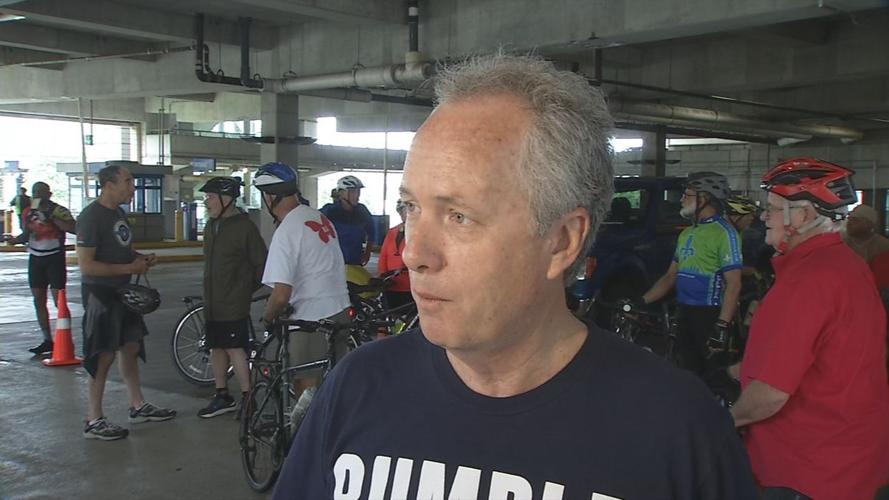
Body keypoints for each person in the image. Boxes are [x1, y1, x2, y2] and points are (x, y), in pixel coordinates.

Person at [272, 54, 756, 499]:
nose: (415, 252)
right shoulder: (358, 387)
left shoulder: (676, 432)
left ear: (562, 241)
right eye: (411, 207)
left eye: (459, 215)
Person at [730, 157, 889, 499]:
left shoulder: (807, 281)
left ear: (801, 217)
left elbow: (771, 396)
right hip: (851, 461)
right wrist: (735, 371)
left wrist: (724, 421)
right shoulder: (846, 265)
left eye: (772, 208)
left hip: (804, 470)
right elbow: (830, 356)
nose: (763, 217)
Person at [76, 165, 176, 441]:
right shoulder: (91, 217)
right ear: (109, 185)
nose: (133, 187)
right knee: (103, 353)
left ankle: (137, 404)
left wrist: (139, 258)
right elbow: (87, 266)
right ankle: (93, 418)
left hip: (124, 293)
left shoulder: (118, 214)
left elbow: (121, 250)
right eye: (128, 181)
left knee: (131, 346)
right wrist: (129, 267)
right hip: (101, 294)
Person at [253, 162, 352, 393]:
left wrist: (268, 318)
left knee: (306, 387)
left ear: (269, 197)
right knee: (336, 386)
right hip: (340, 311)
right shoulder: (319, 217)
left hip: (311, 318)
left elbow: (281, 295)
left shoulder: (287, 230)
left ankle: (307, 429)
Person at [639, 172, 743, 377]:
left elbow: (734, 284)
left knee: (714, 378)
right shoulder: (687, 233)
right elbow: (670, 277)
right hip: (685, 312)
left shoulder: (725, 233)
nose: (682, 199)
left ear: (704, 198)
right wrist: (641, 301)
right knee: (687, 373)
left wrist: (722, 325)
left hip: (710, 315)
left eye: (687, 195)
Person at [196, 177, 267, 418]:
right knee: (216, 346)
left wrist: (244, 290)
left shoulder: (244, 227)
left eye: (211, 197)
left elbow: (261, 263)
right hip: (213, 302)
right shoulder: (211, 226)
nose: (207, 202)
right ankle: (222, 394)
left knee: (235, 348)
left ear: (227, 200)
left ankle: (248, 399)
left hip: (233, 302)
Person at [2, 182, 76, 355]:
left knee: (60, 300)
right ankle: (47, 339)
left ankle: (65, 338)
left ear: (49, 194)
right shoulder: (29, 212)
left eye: (41, 193)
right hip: (35, 258)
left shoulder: (58, 210)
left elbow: (74, 228)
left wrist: (52, 216)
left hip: (54, 258)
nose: (38, 196)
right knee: (38, 299)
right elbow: (26, 234)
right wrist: (14, 240)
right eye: (35, 193)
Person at [320, 175, 374, 266]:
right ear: (341, 193)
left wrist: (367, 253)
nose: (356, 195)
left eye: (358, 191)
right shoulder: (329, 211)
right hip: (332, 263)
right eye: (352, 192)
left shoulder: (362, 211)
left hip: (355, 261)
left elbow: (372, 233)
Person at [376, 198, 411, 309]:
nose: (403, 214)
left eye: (406, 211)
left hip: (410, 285)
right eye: (402, 211)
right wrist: (383, 275)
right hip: (391, 284)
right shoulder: (392, 232)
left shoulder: (420, 233)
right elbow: (384, 255)